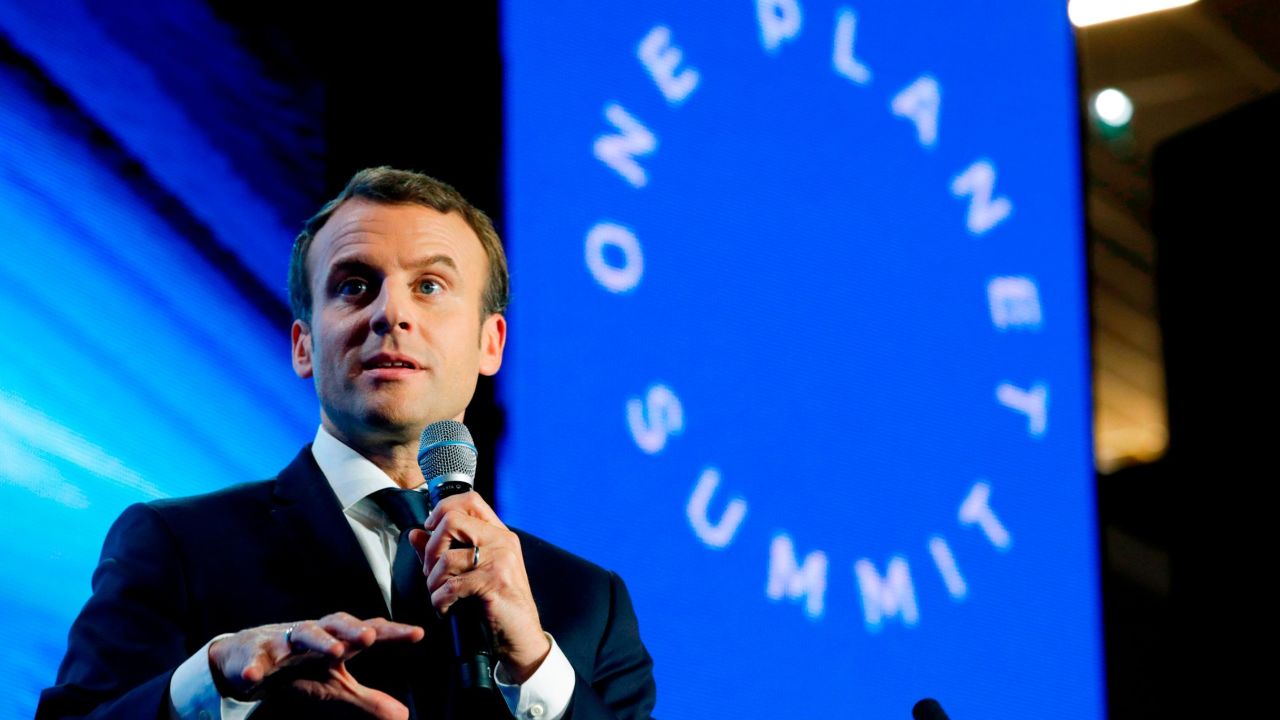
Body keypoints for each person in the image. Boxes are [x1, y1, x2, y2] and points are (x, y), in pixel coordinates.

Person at [37, 167, 657, 719]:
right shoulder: (175, 548)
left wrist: (535, 671)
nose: (391, 313)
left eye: (431, 286)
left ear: (490, 343)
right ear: (303, 345)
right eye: (355, 285)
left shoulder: (585, 603)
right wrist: (213, 682)